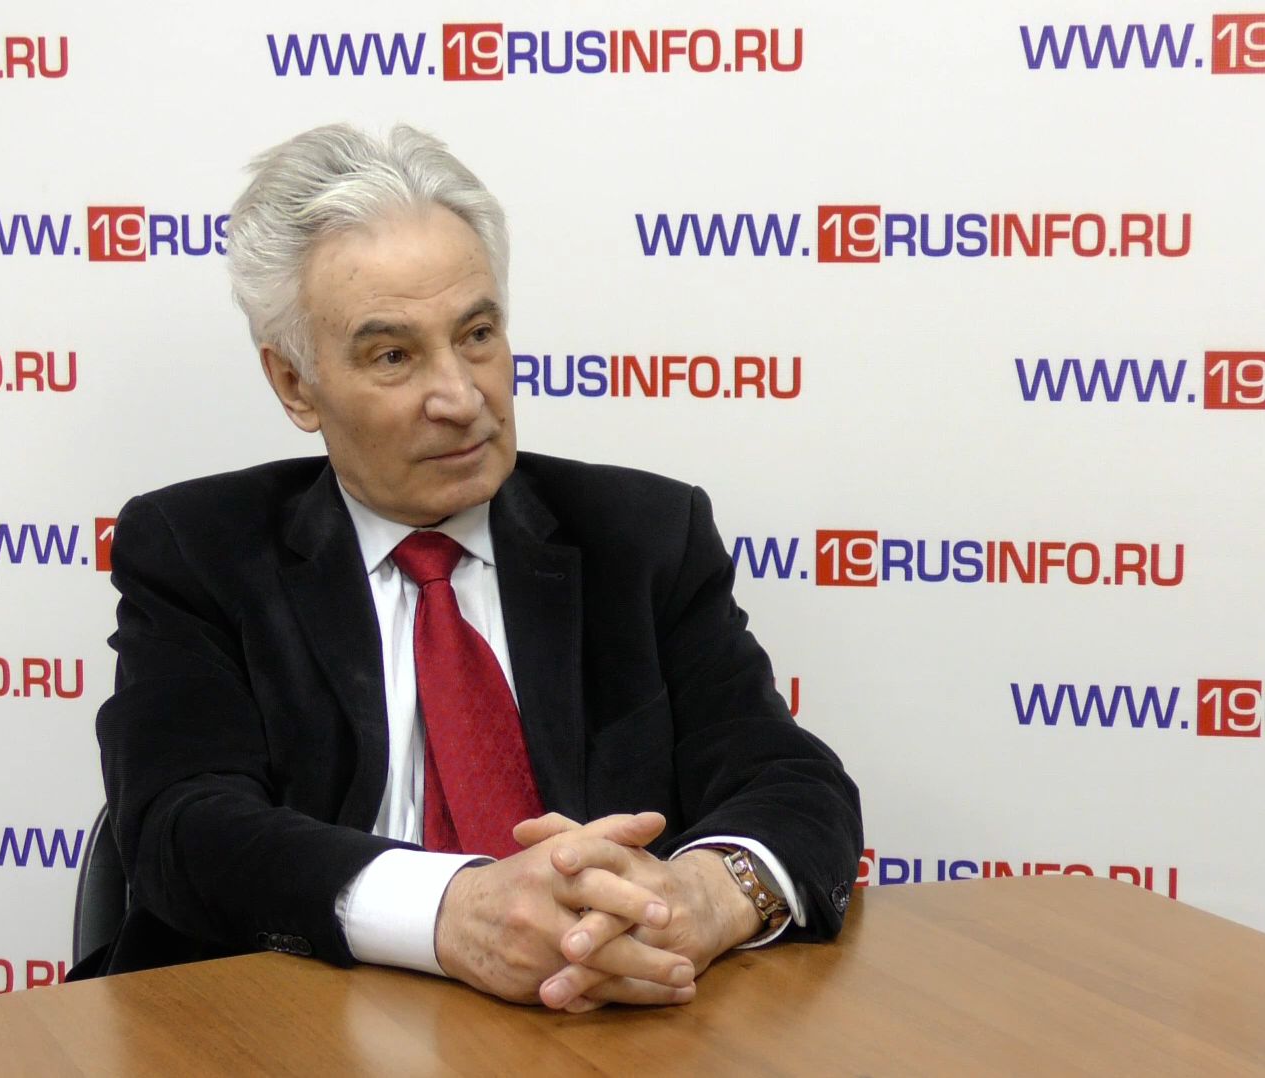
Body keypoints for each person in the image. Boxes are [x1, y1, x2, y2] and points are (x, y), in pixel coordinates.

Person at [76, 122, 861, 1012]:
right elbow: (181, 830)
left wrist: (704, 896)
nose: (460, 396)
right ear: (295, 384)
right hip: (293, 1028)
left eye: (478, 334)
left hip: (592, 1030)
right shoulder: (196, 550)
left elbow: (793, 782)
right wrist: (452, 910)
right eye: (394, 355)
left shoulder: (643, 538)